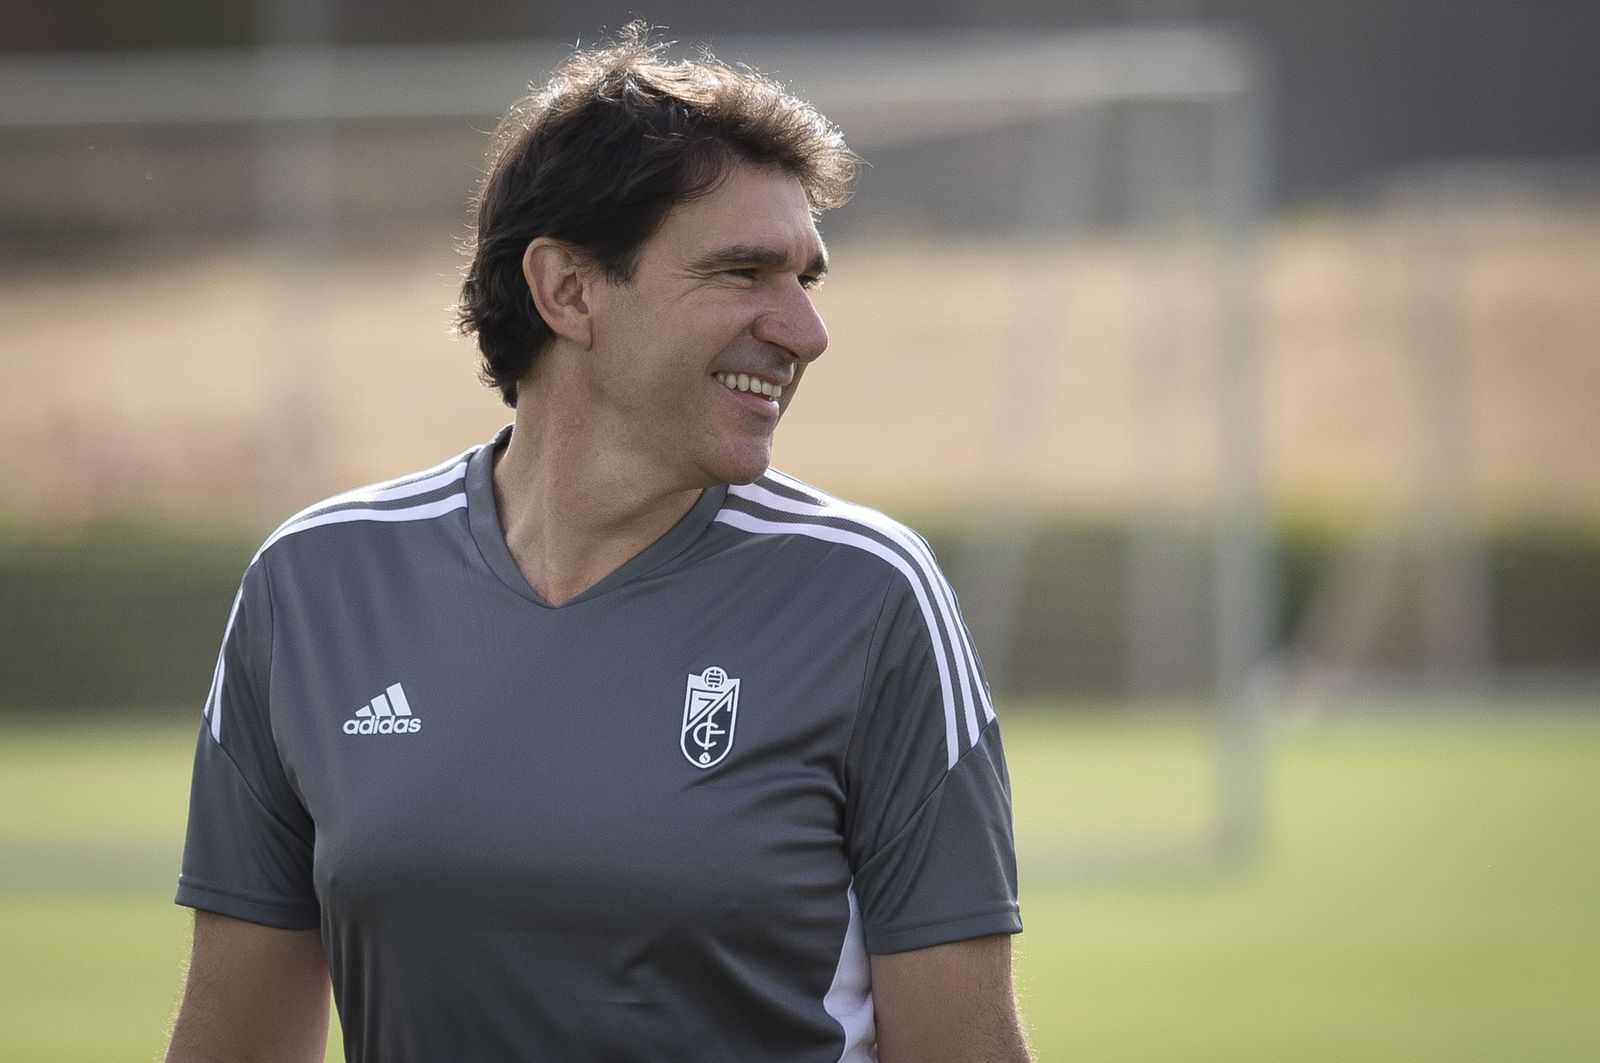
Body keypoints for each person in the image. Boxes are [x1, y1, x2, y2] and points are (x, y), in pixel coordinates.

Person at [166, 25, 1028, 1063]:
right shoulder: (312, 585)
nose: (804, 329)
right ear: (567, 291)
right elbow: (237, 1042)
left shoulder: (869, 594)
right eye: (744, 272)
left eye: (808, 278)